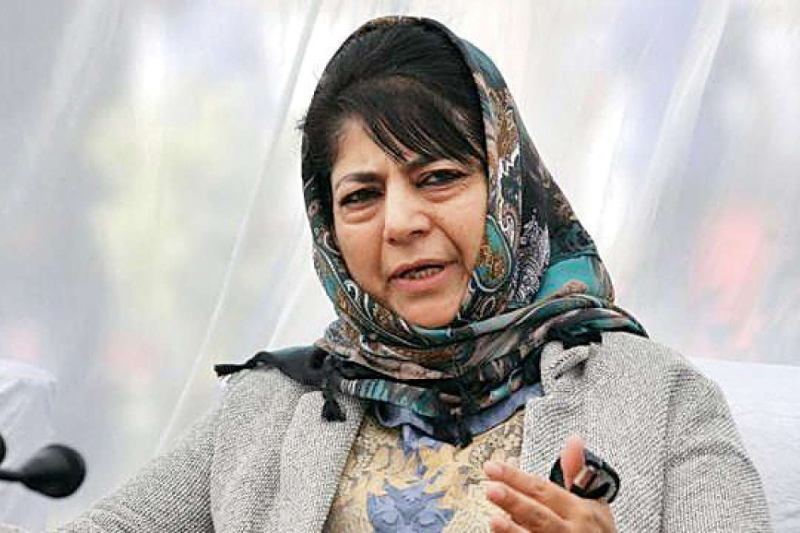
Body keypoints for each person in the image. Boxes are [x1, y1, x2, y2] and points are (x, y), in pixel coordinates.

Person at [2, 15, 771, 533]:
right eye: (361, 196)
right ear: (328, 227)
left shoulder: (660, 398)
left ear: (509, 188)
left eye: (438, 177)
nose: (399, 221)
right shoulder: (271, 407)